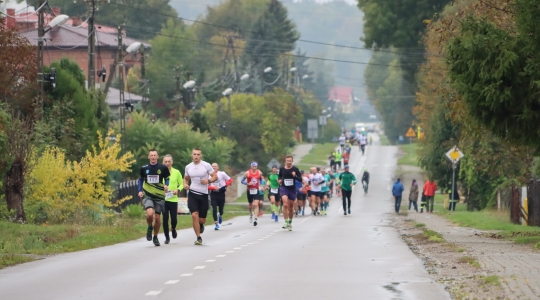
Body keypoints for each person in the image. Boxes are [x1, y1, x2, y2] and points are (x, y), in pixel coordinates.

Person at [184, 148, 218, 245]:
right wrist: (185, 185)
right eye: (194, 154)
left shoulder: (206, 165)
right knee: (194, 215)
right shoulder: (188, 167)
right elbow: (186, 179)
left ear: (201, 155)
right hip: (192, 193)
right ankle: (198, 237)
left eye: (198, 154)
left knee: (202, 219)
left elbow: (215, 176)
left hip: (203, 194)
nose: (196, 156)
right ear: (192, 155)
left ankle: (201, 224)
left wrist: (208, 181)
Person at [138, 149, 171, 247]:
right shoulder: (144, 168)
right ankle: (149, 227)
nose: (153, 157)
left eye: (154, 155)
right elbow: (140, 180)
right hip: (148, 194)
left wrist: (166, 185)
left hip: (159, 195)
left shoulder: (163, 167)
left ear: (157, 157)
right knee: (149, 214)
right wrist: (140, 190)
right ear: (149, 157)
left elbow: (167, 178)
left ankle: (155, 236)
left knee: (157, 218)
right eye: (151, 155)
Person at [162, 154, 184, 244]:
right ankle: (167, 237)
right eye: (165, 161)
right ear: (163, 162)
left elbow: (182, 183)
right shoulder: (160, 172)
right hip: (163, 199)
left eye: (169, 161)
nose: (167, 163)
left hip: (173, 199)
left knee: (174, 219)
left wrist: (177, 190)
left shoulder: (176, 172)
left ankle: (173, 228)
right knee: (165, 218)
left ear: (172, 162)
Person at [278, 155, 303, 231]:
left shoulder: (295, 169)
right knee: (285, 204)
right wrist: (279, 180)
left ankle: (290, 222)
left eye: (290, 161)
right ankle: (285, 221)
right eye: (287, 161)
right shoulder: (282, 169)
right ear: (285, 161)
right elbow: (279, 177)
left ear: (292, 161)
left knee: (291, 207)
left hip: (292, 189)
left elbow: (300, 179)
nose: (288, 162)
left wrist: (295, 176)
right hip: (284, 188)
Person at [208, 163, 232, 231]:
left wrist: (225, 186)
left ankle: (220, 215)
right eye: (212, 167)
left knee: (221, 209)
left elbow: (230, 180)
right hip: (213, 193)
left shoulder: (222, 174)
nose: (214, 167)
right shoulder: (209, 175)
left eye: (215, 166)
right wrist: (213, 188)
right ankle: (216, 223)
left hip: (221, 193)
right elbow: (206, 185)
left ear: (218, 167)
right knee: (214, 208)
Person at [242, 162, 263, 226]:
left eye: (255, 167)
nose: (254, 168)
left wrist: (261, 185)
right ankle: (251, 213)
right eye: (253, 166)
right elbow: (242, 181)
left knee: (256, 205)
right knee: (250, 205)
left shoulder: (259, 173)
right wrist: (247, 184)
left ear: (257, 167)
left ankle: (255, 219)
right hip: (249, 190)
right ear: (251, 167)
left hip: (256, 190)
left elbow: (261, 180)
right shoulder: (247, 173)